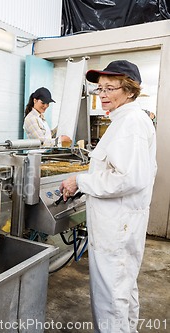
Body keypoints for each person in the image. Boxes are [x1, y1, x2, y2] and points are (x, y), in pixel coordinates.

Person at [60, 60, 157, 333]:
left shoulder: (131, 123)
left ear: (129, 90)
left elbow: (128, 178)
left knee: (110, 298)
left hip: (117, 227)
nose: (102, 94)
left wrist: (80, 180)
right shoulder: (125, 120)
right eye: (99, 88)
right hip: (120, 224)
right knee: (122, 289)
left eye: (110, 88)